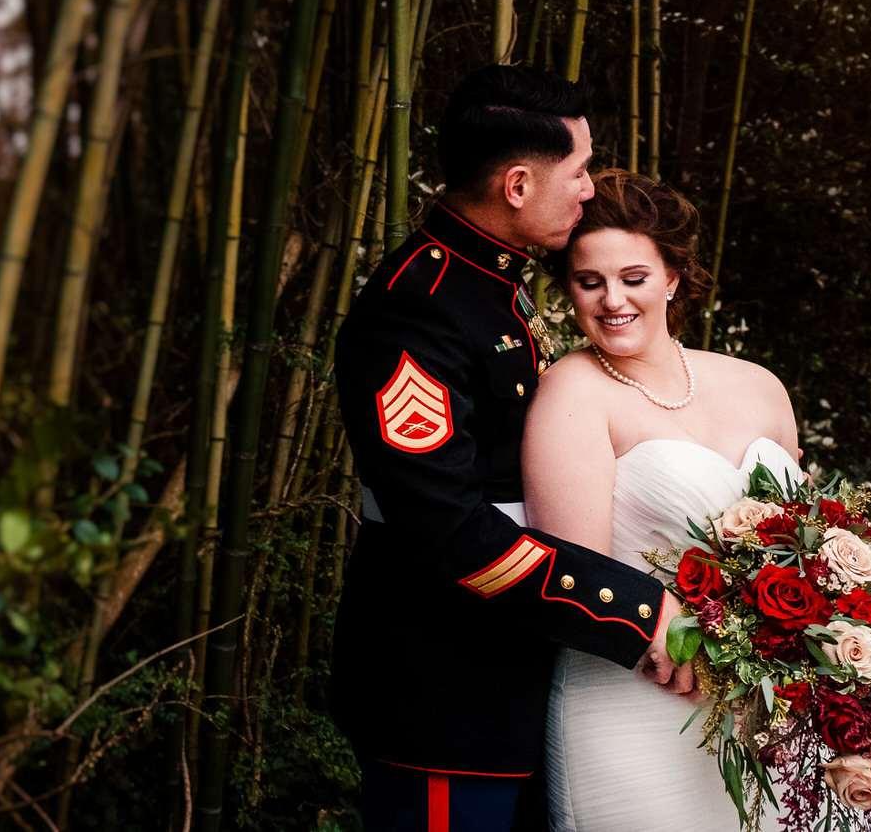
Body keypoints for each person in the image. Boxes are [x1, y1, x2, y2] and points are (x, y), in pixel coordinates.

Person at [332, 67, 692, 832]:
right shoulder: (415, 310)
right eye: (581, 170)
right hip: (443, 688)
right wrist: (636, 607)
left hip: (517, 672)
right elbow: (451, 530)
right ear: (520, 184)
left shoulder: (493, 285)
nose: (592, 190)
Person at [524, 170, 806, 831]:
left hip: (774, 707)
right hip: (639, 702)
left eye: (633, 277)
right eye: (590, 281)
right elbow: (577, 575)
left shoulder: (760, 386)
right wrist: (693, 643)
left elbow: (807, 546)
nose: (612, 299)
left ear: (673, 276)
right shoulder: (572, 391)